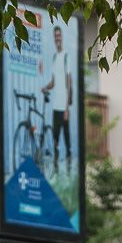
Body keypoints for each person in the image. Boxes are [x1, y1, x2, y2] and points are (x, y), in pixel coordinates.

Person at [41, 23, 74, 172]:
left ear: (62, 37)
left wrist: (67, 108)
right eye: (55, 37)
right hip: (55, 106)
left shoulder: (66, 57)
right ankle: (55, 168)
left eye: (59, 36)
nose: (57, 39)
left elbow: (69, 83)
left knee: (66, 139)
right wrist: (45, 87)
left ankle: (67, 168)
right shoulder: (55, 57)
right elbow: (54, 82)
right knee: (55, 138)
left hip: (64, 107)